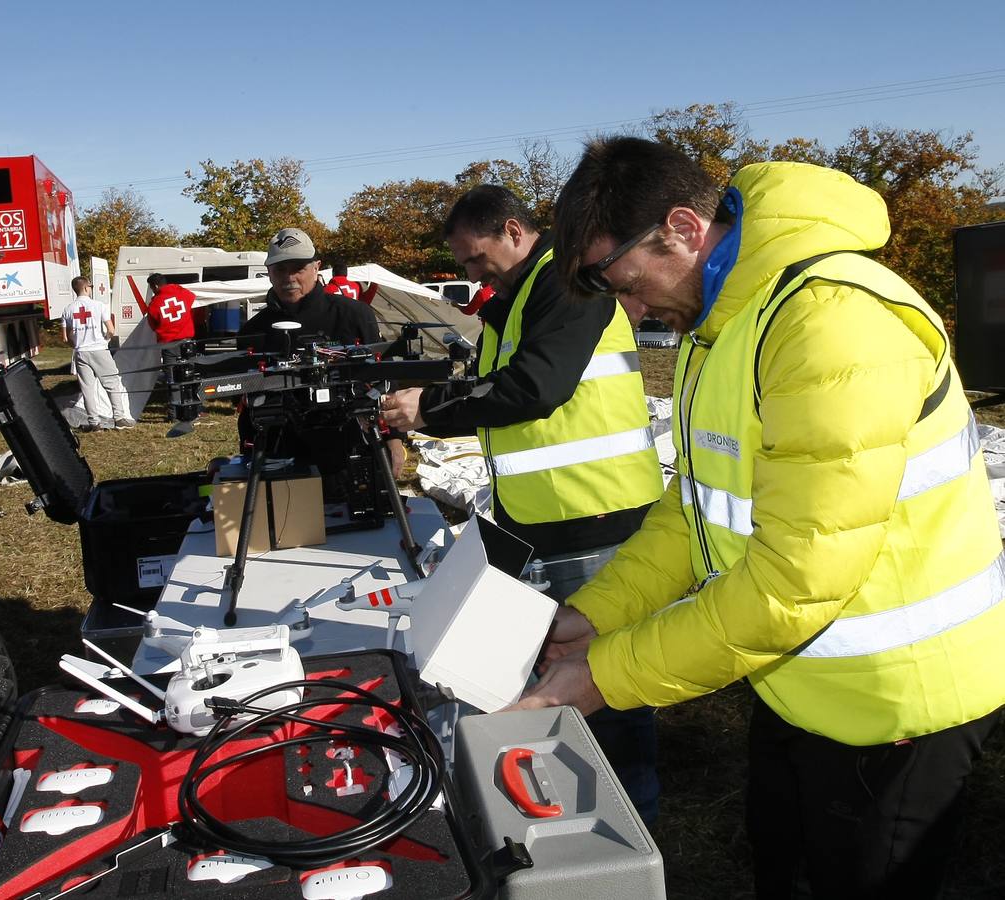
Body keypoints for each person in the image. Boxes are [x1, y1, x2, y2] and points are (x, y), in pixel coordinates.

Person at [528, 135, 1005, 899]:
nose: (629, 307)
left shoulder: (830, 324)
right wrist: (596, 614)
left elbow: (797, 582)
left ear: (682, 229)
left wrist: (603, 678)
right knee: (780, 859)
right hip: (798, 680)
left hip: (898, 700)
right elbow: (695, 513)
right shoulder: (721, 323)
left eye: (623, 280)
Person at [379, 185, 665, 821]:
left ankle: (630, 815)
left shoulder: (569, 288)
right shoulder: (519, 297)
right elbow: (497, 392)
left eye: (477, 258)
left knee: (608, 677)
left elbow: (534, 389)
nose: (471, 273)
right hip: (543, 515)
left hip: (595, 517)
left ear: (513, 230)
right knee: (555, 666)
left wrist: (428, 409)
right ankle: (565, 795)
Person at [239, 227, 406, 481]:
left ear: (316, 267)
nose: (289, 278)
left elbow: (386, 380)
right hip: (277, 452)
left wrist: (394, 438)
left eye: (298, 268)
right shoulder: (254, 329)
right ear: (269, 273)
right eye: (280, 269)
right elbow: (241, 398)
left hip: (346, 445)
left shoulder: (353, 315)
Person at [62, 276, 133, 431]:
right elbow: (111, 330)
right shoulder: (99, 305)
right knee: (112, 383)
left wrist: (76, 345)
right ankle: (119, 418)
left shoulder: (68, 309)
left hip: (81, 352)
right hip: (99, 349)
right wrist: (105, 340)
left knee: (87, 388)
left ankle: (94, 422)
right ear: (86, 288)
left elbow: (66, 337)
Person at [145, 273, 198, 421]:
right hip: (187, 342)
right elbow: (192, 298)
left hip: (169, 344)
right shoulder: (182, 293)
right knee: (190, 377)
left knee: (173, 379)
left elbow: (153, 324)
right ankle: (193, 410)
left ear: (155, 286)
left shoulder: (155, 303)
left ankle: (174, 415)